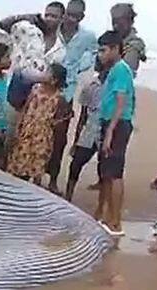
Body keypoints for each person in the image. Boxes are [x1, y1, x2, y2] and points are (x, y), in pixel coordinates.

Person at [46, 0, 97, 193]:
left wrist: (79, 69)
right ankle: (35, 176)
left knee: (59, 139)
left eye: (75, 15)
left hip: (66, 93)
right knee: (40, 135)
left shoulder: (88, 37)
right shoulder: (52, 31)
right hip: (45, 90)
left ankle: (52, 180)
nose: (70, 18)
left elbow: (93, 56)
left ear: (81, 17)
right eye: (68, 14)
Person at [95, 31, 136, 237]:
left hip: (117, 124)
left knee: (115, 173)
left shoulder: (120, 70)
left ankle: (116, 222)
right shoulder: (114, 70)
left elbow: (121, 101)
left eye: (103, 50)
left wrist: (110, 131)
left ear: (115, 49)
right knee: (108, 173)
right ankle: (108, 217)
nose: (100, 55)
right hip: (110, 122)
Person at [0, 3, 66, 112]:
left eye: (54, 16)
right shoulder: (29, 31)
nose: (49, 19)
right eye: (46, 15)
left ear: (62, 19)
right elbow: (2, 24)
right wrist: (30, 16)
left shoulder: (61, 49)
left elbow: (53, 78)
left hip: (37, 103)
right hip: (14, 96)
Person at [7, 63, 68, 184]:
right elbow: (24, 109)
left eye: (47, 72)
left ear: (54, 80)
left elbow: (59, 122)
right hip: (27, 132)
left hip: (42, 137)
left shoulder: (59, 98)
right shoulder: (35, 90)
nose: (43, 74)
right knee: (20, 163)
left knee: (37, 166)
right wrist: (18, 127)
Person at [65, 59, 106, 201]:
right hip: (90, 130)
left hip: (106, 132)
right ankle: (68, 195)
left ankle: (103, 202)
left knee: (106, 169)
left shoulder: (115, 86)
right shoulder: (91, 86)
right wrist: (76, 140)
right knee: (76, 163)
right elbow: (83, 116)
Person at [110, 3, 146, 75]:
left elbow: (125, 72)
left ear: (131, 22)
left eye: (121, 24)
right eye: (114, 22)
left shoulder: (134, 45)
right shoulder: (112, 40)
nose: (116, 26)